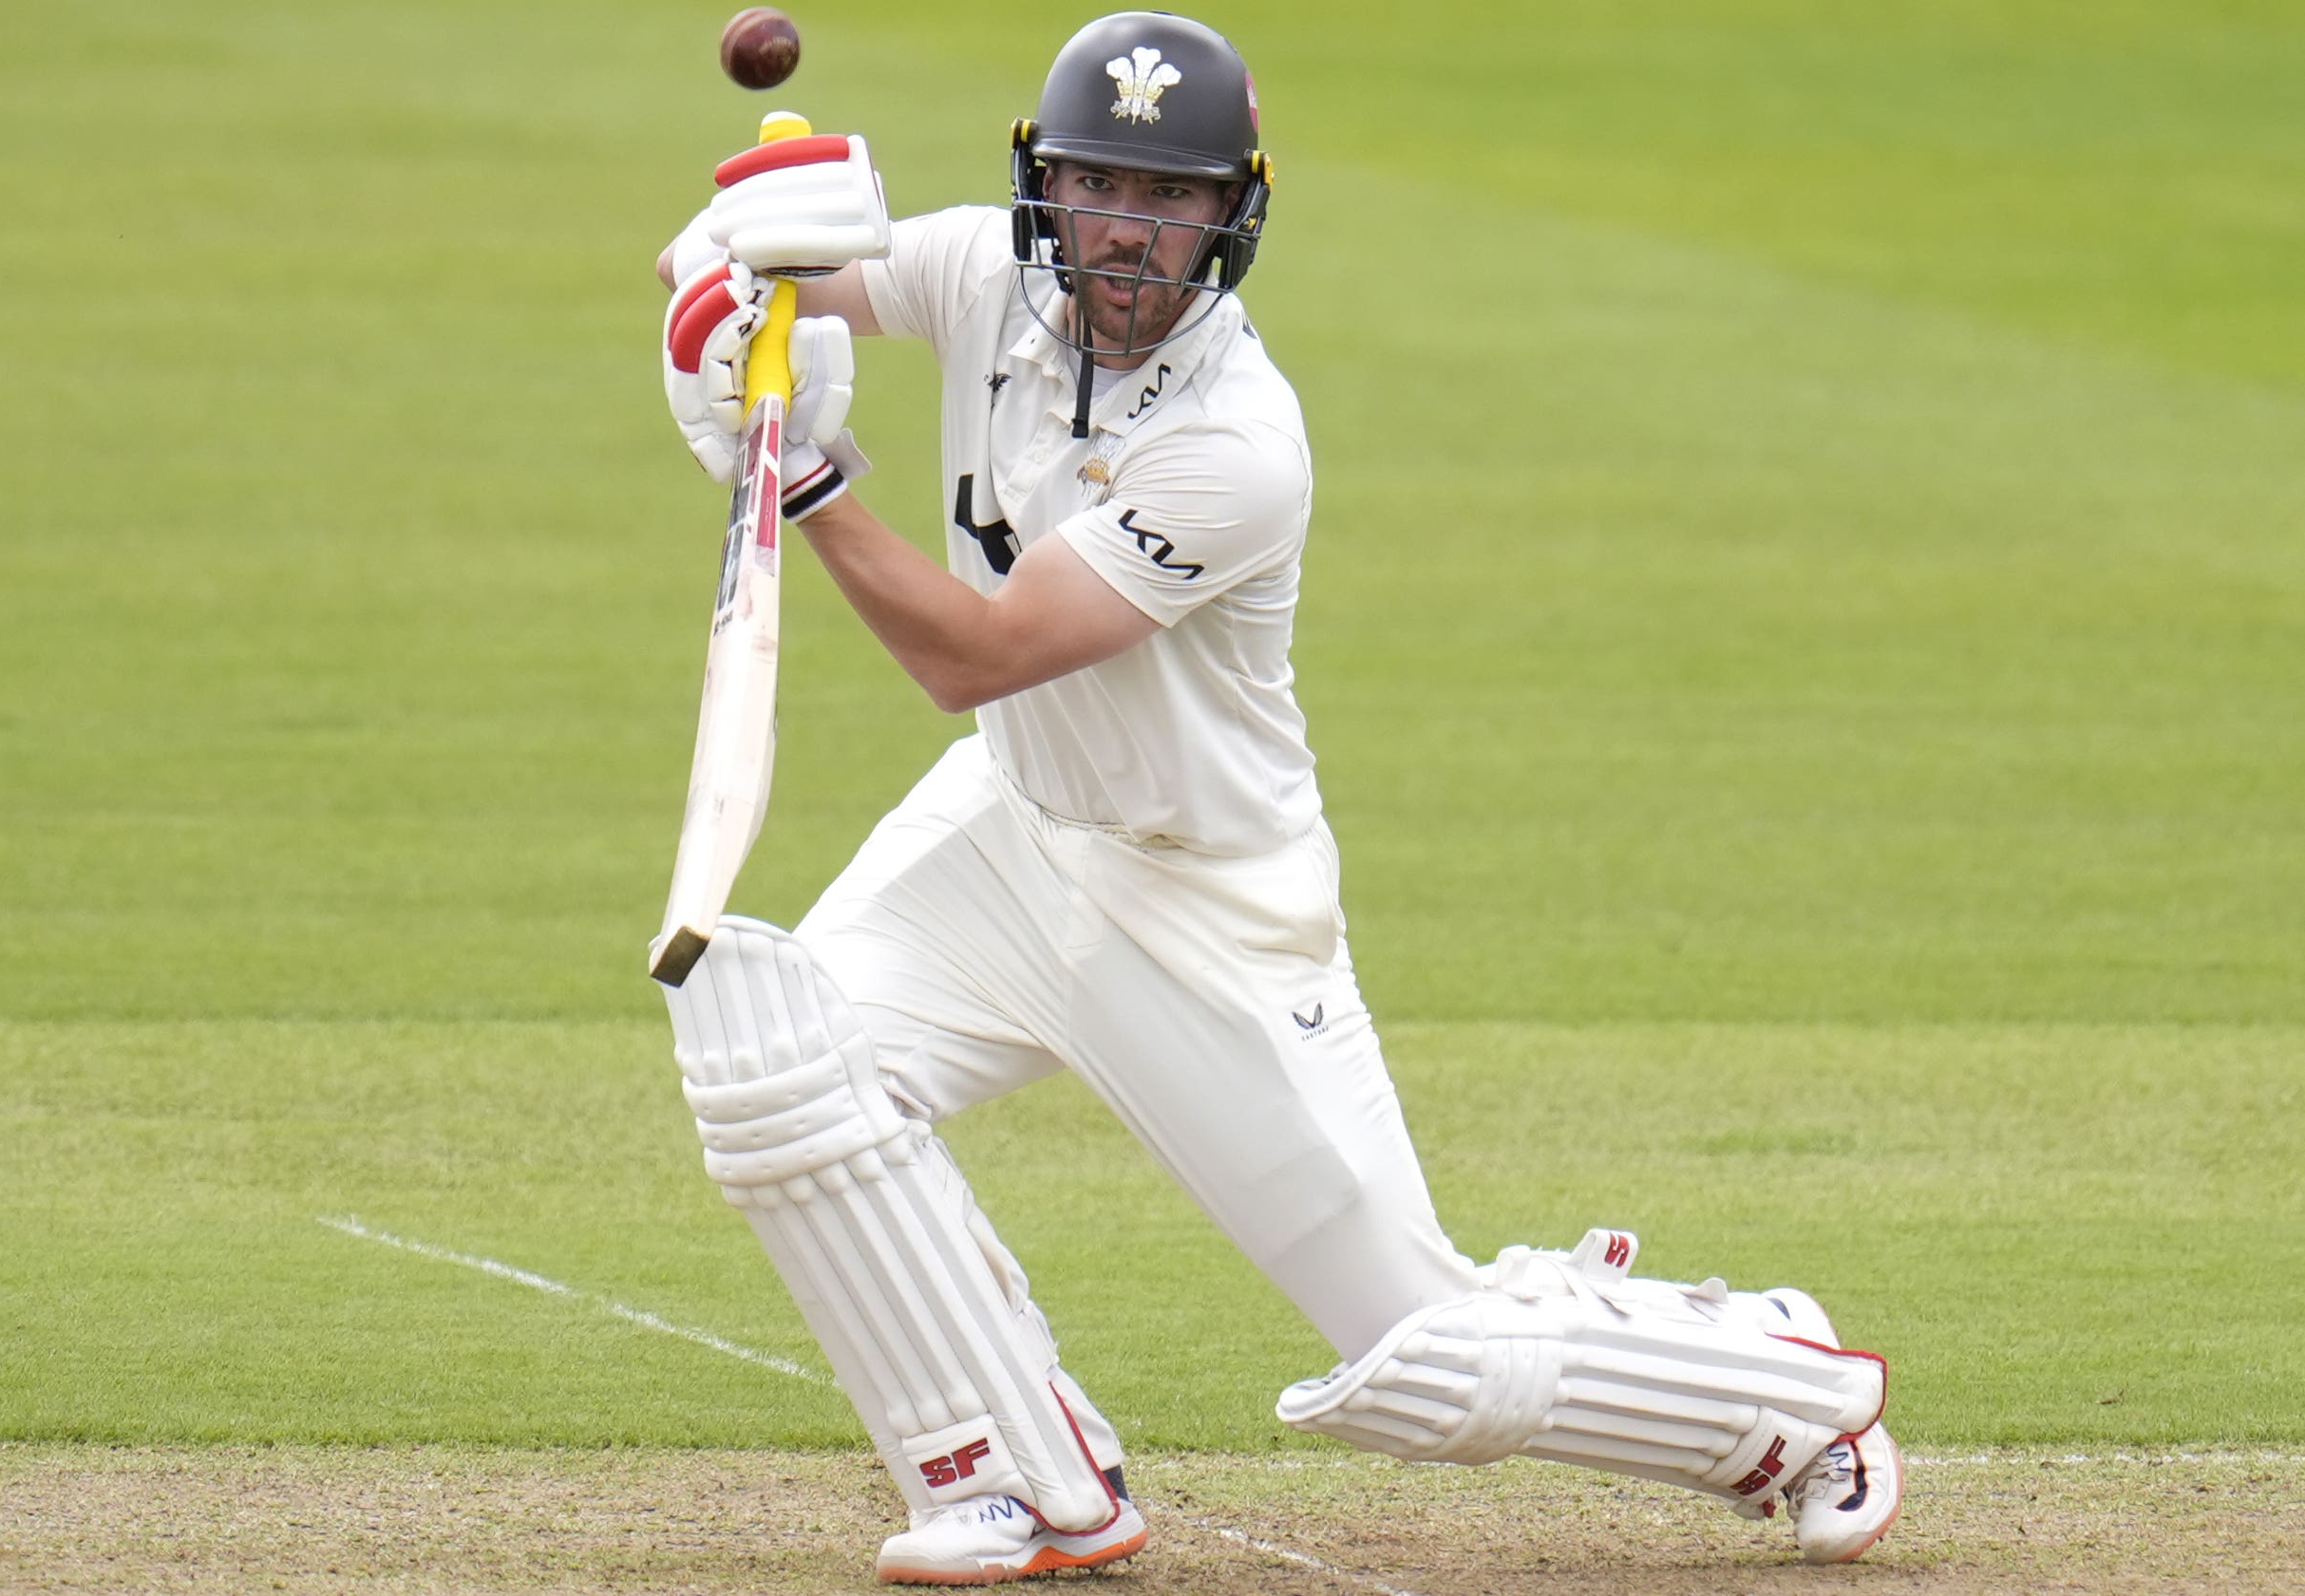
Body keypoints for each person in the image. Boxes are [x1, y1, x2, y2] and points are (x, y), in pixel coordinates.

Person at [651, 11, 1903, 1586]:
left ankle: (1789, 1393)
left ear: (1231, 213)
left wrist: (810, 482)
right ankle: (1017, 1479)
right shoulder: (981, 266)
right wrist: (721, 283)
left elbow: (972, 656)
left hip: (1207, 903)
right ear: (1047, 189)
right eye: (1101, 186)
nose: (1127, 231)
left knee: (1425, 1359)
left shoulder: (1238, 443)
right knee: (777, 1067)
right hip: (1010, 834)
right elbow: (768, 280)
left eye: (1170, 199)